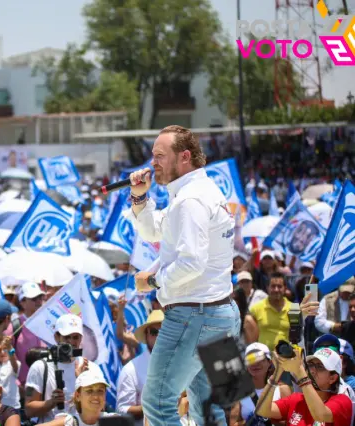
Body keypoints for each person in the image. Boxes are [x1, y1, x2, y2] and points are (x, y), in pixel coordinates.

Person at [128, 125, 240, 425]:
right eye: (153, 156)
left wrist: (152, 282)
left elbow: (192, 264)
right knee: (209, 410)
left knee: (158, 404)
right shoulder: (199, 192)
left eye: (161, 156)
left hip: (195, 317)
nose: (153, 163)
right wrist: (140, 198)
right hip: (222, 314)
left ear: (185, 157)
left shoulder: (190, 201)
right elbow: (153, 229)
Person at [25, 314, 102, 422]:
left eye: (75, 337)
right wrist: (51, 402)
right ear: (57, 337)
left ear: (81, 339)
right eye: (67, 337)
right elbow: (29, 410)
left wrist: (82, 382)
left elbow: (99, 408)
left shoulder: (92, 369)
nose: (71, 342)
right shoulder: (39, 367)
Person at [257, 347, 352, 425]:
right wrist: (277, 372)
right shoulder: (297, 399)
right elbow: (262, 410)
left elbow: (320, 414)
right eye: (311, 365)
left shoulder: (343, 401)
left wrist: (299, 371)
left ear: (332, 378)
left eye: (320, 367)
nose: (312, 371)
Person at [116, 310, 164, 426]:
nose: (159, 337)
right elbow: (123, 410)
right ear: (146, 334)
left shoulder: (181, 364)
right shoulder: (131, 370)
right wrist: (152, 407)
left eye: (165, 332)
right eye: (154, 332)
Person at [233, 343, 291, 425]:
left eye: (260, 359)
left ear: (269, 362)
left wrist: (267, 419)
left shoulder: (283, 389)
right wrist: (251, 421)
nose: (255, 364)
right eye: (251, 360)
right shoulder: (238, 393)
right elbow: (233, 423)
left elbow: (291, 422)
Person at [41, 369, 117, 426]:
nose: (96, 396)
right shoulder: (69, 423)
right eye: (89, 391)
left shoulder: (115, 421)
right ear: (78, 396)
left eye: (100, 391)